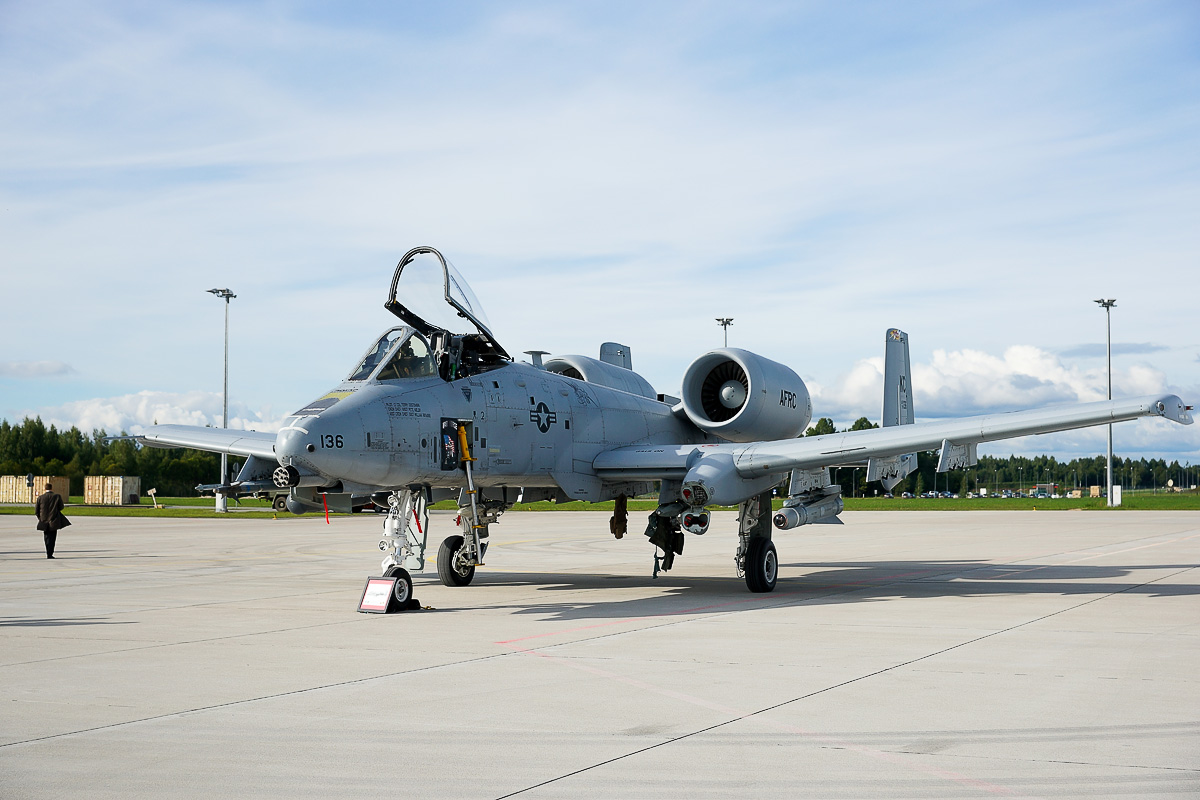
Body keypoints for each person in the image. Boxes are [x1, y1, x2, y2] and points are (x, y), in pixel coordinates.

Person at [35, 483, 67, 559]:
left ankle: (47, 551)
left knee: (46, 537)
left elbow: (36, 511)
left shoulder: (40, 498)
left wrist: (40, 518)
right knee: (53, 538)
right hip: (54, 520)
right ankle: (50, 553)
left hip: (44, 520)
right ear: (52, 488)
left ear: (45, 489)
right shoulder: (57, 497)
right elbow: (61, 507)